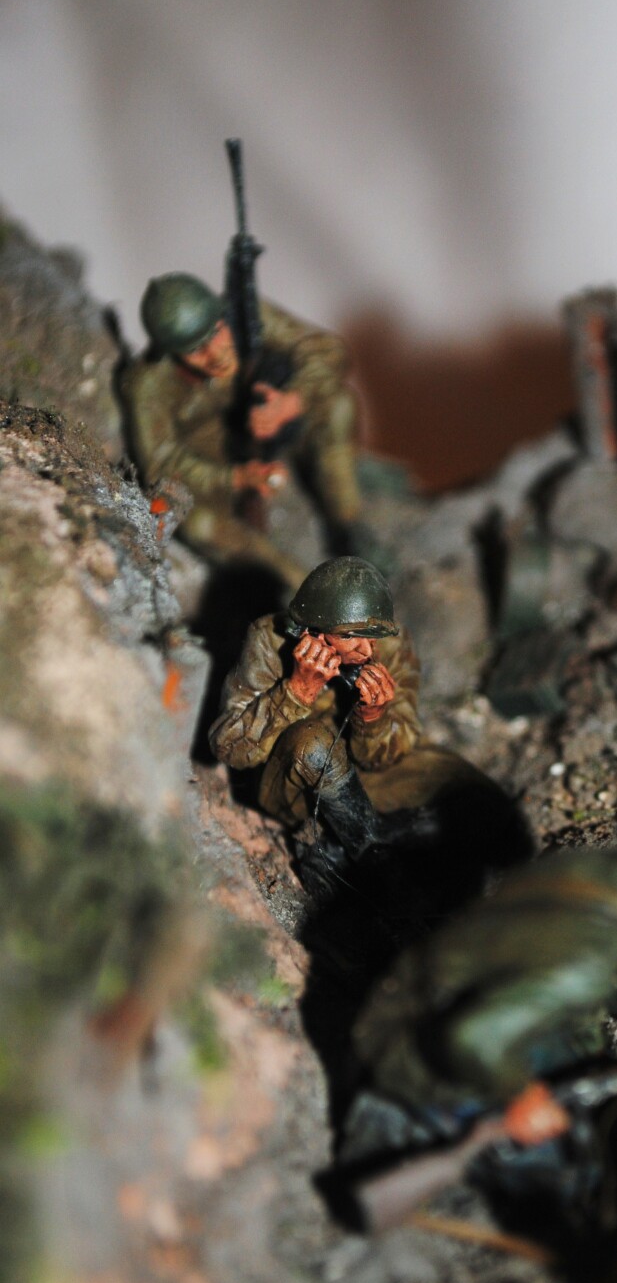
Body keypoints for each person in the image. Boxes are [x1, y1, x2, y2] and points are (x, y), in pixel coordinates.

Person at [345, 774, 617, 1152]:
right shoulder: (589, 955)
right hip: (413, 1052)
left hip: (415, 995)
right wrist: (522, 1096)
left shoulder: (593, 871)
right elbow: (473, 1039)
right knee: (569, 1158)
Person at [208, 554, 524, 894]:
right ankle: (373, 858)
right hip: (299, 781)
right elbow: (229, 747)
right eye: (351, 637)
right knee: (313, 744)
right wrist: (295, 693)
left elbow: (393, 748)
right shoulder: (269, 641)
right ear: (313, 633)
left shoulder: (391, 645)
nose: (366, 650)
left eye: (373, 636)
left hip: (366, 770)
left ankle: (355, 843)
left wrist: (373, 718)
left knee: (481, 802)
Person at [120, 271, 367, 590]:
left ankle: (348, 526)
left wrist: (293, 401)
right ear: (171, 353)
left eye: (217, 332)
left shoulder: (249, 315)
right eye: (196, 350)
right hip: (214, 462)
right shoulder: (149, 385)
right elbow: (163, 463)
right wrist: (235, 478)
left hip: (274, 428)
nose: (216, 354)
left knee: (339, 404)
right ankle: (291, 583)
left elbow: (327, 349)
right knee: (200, 525)